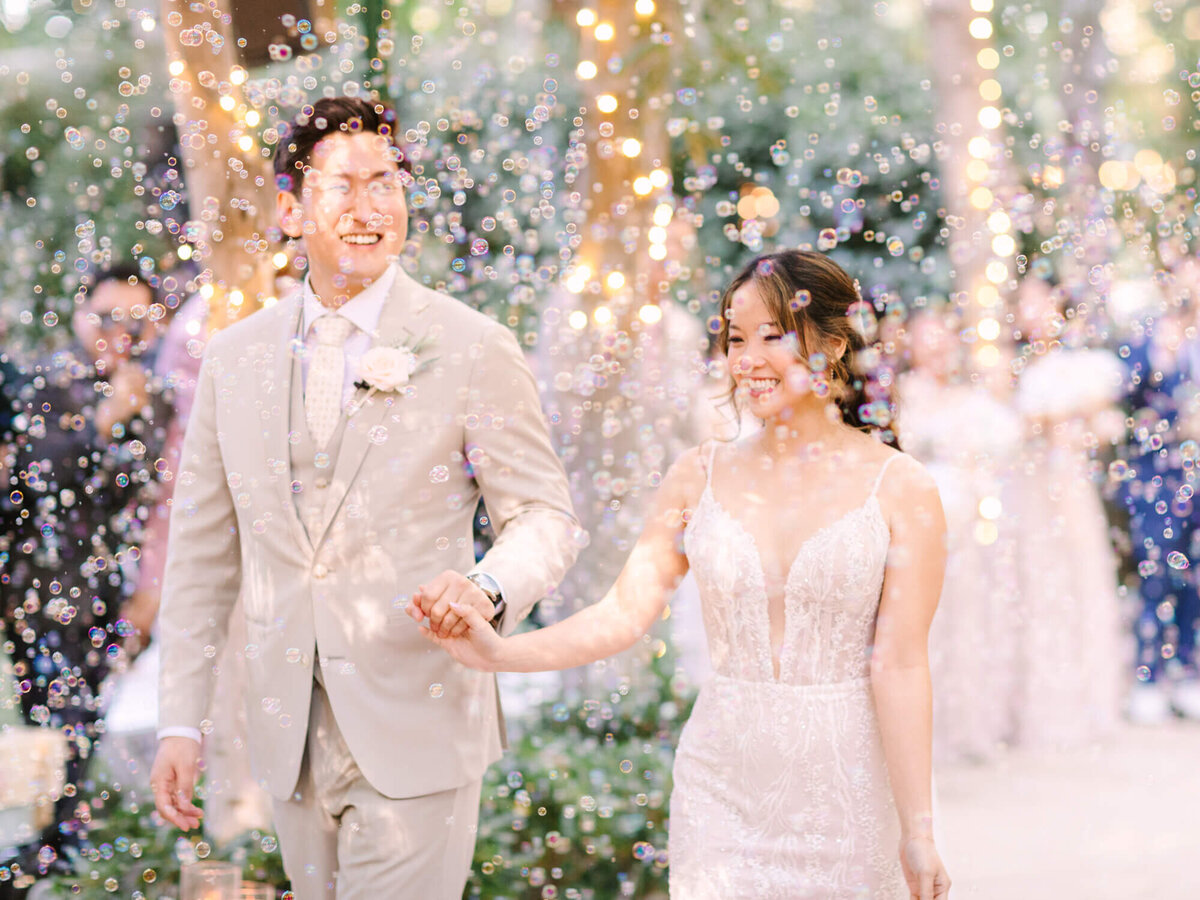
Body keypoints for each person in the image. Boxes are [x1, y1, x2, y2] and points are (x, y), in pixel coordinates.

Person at [417, 250, 951, 900]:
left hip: (848, 791)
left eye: (773, 335)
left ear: (833, 345)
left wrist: (918, 828)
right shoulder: (698, 475)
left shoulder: (901, 488)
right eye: (736, 339)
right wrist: (499, 654)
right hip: (721, 790)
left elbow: (900, 666)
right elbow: (623, 613)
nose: (747, 360)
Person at [149, 97, 581, 898]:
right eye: (343, 186)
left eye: (386, 183)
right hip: (285, 736)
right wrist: (181, 719)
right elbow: (202, 559)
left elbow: (544, 518)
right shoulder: (234, 359)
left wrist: (488, 587)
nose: (369, 207)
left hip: (419, 715)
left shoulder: (472, 347)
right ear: (290, 210)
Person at [0, 264, 165, 881]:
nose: (120, 334)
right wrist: (106, 420)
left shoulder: (150, 393)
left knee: (83, 742)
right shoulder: (44, 385)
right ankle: (29, 869)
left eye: (135, 323)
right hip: (39, 598)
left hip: (109, 600)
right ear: (78, 315)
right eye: (106, 318)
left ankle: (60, 869)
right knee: (43, 746)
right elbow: (39, 483)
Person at [898, 310, 1021, 762]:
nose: (937, 348)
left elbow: (1006, 443)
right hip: (912, 533)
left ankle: (969, 723)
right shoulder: (900, 396)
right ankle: (918, 729)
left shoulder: (973, 400)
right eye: (927, 339)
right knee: (920, 627)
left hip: (966, 534)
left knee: (968, 621)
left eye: (944, 339)